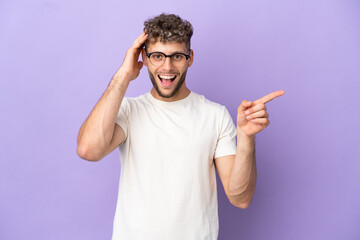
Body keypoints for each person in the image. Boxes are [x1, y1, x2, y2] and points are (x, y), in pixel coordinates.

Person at [77, 13, 284, 240]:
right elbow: (89, 149)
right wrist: (123, 75)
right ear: (144, 58)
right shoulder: (128, 111)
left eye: (176, 56)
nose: (167, 66)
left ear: (190, 58)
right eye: (157, 56)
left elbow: (240, 198)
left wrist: (246, 137)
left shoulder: (214, 115)